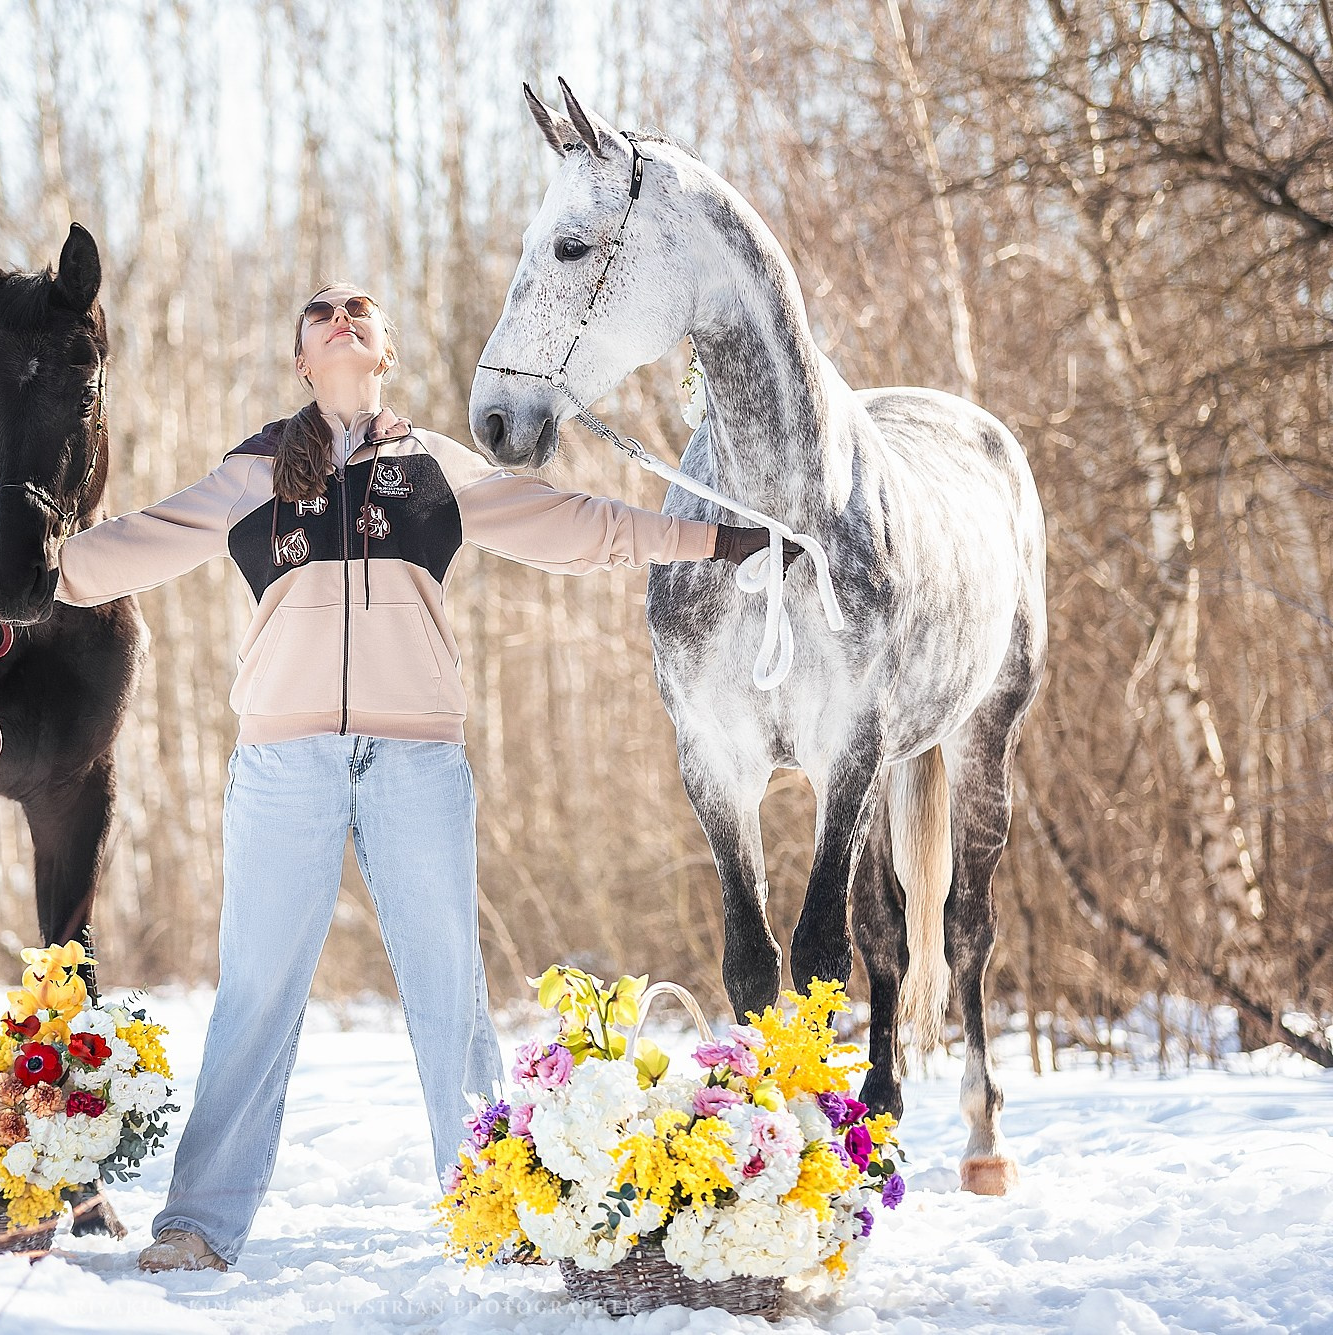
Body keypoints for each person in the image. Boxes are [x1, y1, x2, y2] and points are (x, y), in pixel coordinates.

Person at [50, 282, 794, 1272]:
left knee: (450, 994)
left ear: (384, 351)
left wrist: (715, 539)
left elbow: (574, 526)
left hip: (417, 765)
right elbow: (135, 542)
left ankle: (493, 1208)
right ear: (302, 361)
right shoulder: (254, 471)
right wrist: (19, 571)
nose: (340, 316)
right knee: (255, 997)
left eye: (358, 309)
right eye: (320, 313)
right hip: (284, 767)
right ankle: (198, 1223)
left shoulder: (437, 468)